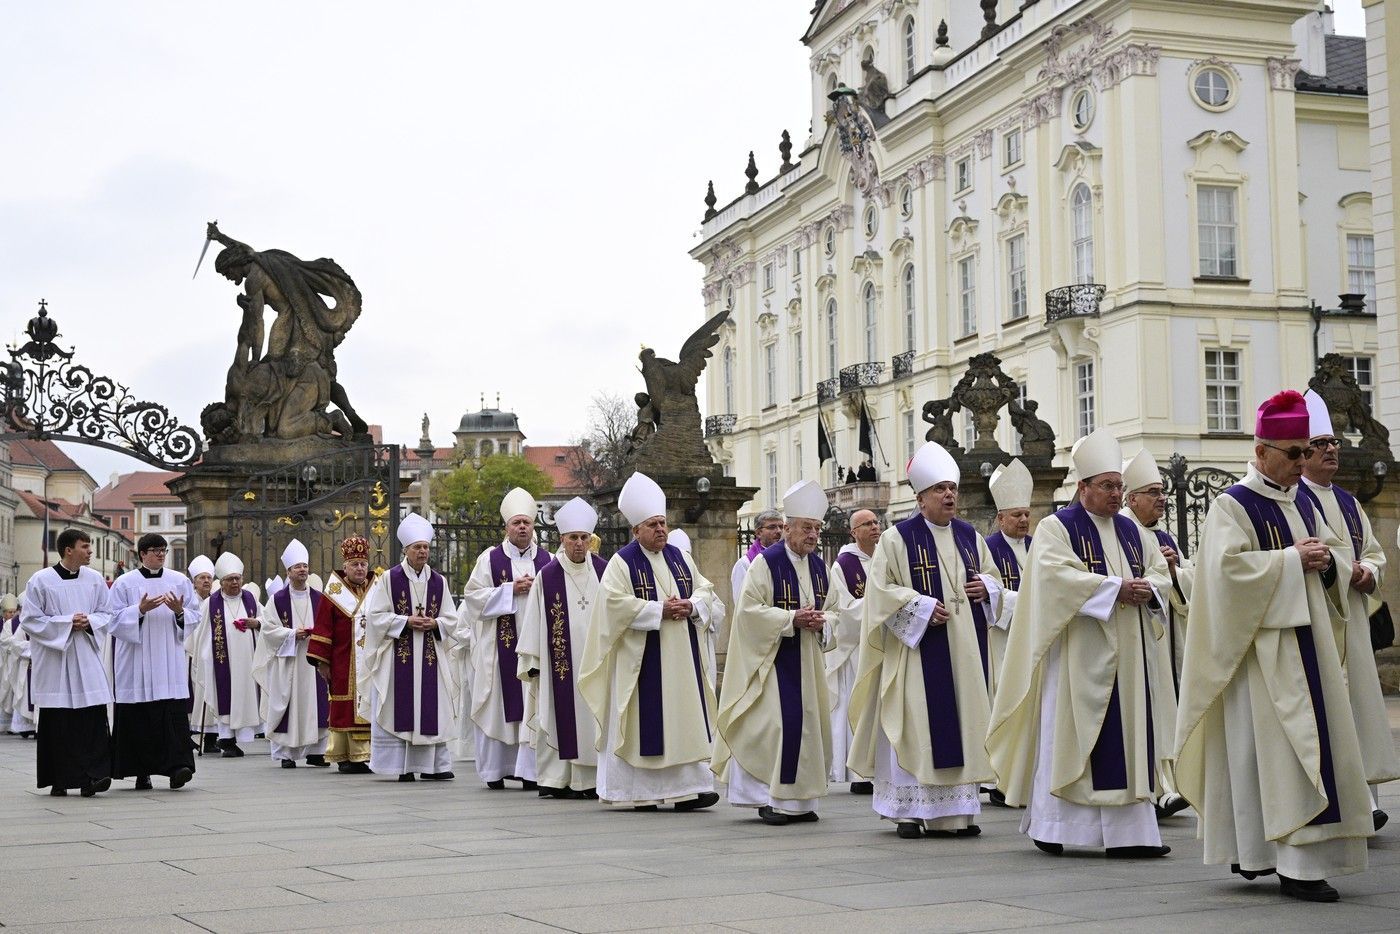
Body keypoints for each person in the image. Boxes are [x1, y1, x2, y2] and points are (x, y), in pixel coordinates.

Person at [1175, 390, 1375, 901]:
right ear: (1261, 450)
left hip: (1310, 646)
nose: (1302, 462)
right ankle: (1284, 861)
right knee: (1275, 755)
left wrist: (1326, 562)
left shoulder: (1304, 501)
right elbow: (1221, 577)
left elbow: (1332, 551)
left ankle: (1302, 858)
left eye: (1306, 452)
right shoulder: (1231, 505)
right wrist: (1289, 562)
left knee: (1311, 750)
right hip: (1263, 657)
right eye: (1294, 453)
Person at [988, 427, 1173, 859]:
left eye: (1119, 486)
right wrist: (1114, 589)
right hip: (1077, 657)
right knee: (1069, 736)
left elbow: (1159, 570)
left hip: (1130, 657)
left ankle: (1132, 834)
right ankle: (1055, 825)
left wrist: (1150, 588)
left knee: (1129, 737)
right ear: (1083, 487)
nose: (1115, 494)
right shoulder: (1057, 527)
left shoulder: (1132, 531)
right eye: (1107, 486)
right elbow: (1053, 578)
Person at [848, 442, 1003, 839]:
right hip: (916, 654)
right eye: (939, 489)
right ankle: (909, 811)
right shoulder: (897, 539)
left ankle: (959, 812)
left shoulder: (970, 536)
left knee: (963, 720)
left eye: (951, 488)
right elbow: (879, 593)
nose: (949, 495)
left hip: (965, 652)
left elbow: (992, 578)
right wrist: (918, 607)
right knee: (916, 721)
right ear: (920, 498)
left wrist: (987, 588)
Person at [578, 472, 720, 811]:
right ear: (636, 530)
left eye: (663, 523)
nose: (660, 530)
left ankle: (689, 789)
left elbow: (705, 589)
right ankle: (637, 792)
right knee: (646, 723)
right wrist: (658, 611)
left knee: (683, 716)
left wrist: (693, 604)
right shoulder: (622, 562)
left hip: (682, 658)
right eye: (653, 524)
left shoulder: (680, 557)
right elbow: (611, 604)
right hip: (641, 661)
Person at [1298, 391, 1397, 832]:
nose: (1332, 450)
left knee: (1357, 707)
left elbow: (1375, 552)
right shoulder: (1293, 500)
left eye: (1334, 443)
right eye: (1321, 444)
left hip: (1353, 623)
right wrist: (1347, 569)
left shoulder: (1349, 501)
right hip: (1317, 621)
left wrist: (1369, 573)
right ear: (1301, 454)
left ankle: (1367, 802)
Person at [715, 480, 836, 825]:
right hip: (772, 663)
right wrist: (790, 619)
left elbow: (841, 612)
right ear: (788, 528)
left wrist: (824, 622)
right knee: (776, 727)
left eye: (817, 528)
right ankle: (770, 799)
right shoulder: (766, 564)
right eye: (807, 528)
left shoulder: (820, 568)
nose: (813, 535)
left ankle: (800, 801)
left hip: (809, 663)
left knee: (810, 727)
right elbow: (748, 612)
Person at [517, 497, 608, 799]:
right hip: (560, 665)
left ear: (590, 540)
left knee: (593, 718)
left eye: (584, 538)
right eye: (573, 538)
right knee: (556, 714)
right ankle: (556, 780)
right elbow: (533, 620)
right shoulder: (548, 575)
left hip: (597, 664)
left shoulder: (606, 572)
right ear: (562, 539)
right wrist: (533, 660)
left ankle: (591, 782)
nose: (579, 544)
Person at [363, 513, 463, 781]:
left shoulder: (439, 582)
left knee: (433, 705)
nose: (422, 551)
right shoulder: (389, 580)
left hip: (430, 653)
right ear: (406, 550)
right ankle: (400, 767)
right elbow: (375, 618)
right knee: (399, 706)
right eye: (417, 547)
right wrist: (405, 621)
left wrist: (436, 623)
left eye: (426, 547)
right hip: (399, 657)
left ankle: (434, 766)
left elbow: (453, 619)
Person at [461, 487, 549, 789]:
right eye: (516, 523)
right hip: (499, 652)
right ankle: (495, 771)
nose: (522, 527)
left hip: (535, 651)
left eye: (526, 522)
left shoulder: (548, 561)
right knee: (498, 706)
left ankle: (530, 772)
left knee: (532, 705)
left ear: (533, 526)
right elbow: (471, 599)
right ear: (506, 527)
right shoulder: (489, 559)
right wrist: (510, 589)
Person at [1121, 448, 1192, 820]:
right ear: (1131, 498)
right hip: (1136, 637)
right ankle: (1154, 787)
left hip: (1165, 636)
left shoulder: (1165, 536)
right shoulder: (1121, 529)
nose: (1162, 499)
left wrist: (1175, 569)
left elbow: (1189, 580)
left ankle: (1169, 786)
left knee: (1166, 709)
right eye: (1153, 493)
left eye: (1163, 492)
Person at [20, 529, 113, 797]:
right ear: (68, 550)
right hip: (55, 661)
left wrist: (90, 622)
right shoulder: (40, 580)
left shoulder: (95, 580)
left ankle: (93, 776)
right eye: (85, 546)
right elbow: (30, 620)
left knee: (91, 719)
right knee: (59, 723)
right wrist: (65, 623)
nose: (90, 551)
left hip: (86, 657)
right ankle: (59, 778)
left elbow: (107, 614)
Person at [107, 534, 197, 790]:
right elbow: (111, 620)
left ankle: (178, 768)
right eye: (155, 550)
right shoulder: (125, 583)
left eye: (163, 550)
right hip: (137, 660)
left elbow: (195, 615)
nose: (160, 554)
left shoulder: (179, 581)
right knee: (139, 719)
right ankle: (140, 772)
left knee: (171, 717)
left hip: (169, 659)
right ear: (142, 554)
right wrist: (139, 611)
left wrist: (180, 612)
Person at [254, 539, 330, 769]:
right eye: (297, 567)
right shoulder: (277, 600)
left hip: (315, 660)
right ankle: (286, 753)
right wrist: (291, 634)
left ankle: (317, 752)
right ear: (288, 572)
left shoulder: (320, 598)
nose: (302, 570)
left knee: (318, 704)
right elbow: (268, 629)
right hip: (289, 660)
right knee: (288, 704)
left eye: (305, 566)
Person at [307, 535, 376, 773]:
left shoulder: (377, 587)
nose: (359, 568)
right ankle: (344, 757)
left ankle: (366, 754)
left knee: (371, 703)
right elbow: (323, 627)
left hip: (372, 661)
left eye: (363, 564)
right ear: (345, 566)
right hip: (342, 661)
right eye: (354, 564)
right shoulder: (333, 593)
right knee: (343, 706)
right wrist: (322, 662)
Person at [186, 552, 262, 757]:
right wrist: (204, 658)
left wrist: (257, 624)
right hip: (221, 662)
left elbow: (267, 623)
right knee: (224, 696)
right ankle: (226, 740)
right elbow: (201, 635)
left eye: (238, 578)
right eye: (230, 579)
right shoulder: (211, 603)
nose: (235, 582)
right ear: (222, 582)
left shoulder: (251, 599)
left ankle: (241, 737)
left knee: (244, 697)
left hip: (248, 660)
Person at [826, 508, 880, 795]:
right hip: (857, 647)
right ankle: (858, 771)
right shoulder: (843, 565)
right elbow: (843, 609)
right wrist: (878, 605)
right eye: (867, 524)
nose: (874, 527)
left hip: (885, 643)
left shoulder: (886, 555)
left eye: (876, 522)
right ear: (853, 532)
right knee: (858, 703)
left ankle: (881, 767)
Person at [984, 459, 1034, 704]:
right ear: (1001, 519)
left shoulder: (1039, 546)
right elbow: (989, 593)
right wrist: (1027, 602)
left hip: (1036, 631)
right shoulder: (986, 548)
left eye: (1026, 514)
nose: (1024, 519)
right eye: (1017, 515)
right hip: (1004, 636)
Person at [668, 527, 725, 687]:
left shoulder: (699, 580)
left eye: (686, 554)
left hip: (698, 650)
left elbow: (718, 610)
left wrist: (695, 608)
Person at [184, 555, 218, 752]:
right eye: (201, 578)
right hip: (188, 655)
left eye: (209, 578)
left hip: (212, 656)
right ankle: (187, 737)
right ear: (194, 582)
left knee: (210, 694)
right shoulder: (189, 602)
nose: (206, 581)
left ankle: (211, 739)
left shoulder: (216, 602)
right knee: (190, 698)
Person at [731, 510, 784, 610]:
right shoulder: (745, 564)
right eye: (772, 527)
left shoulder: (789, 558)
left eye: (781, 527)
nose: (779, 531)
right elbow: (741, 604)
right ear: (759, 533)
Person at [0, 593, 19, 733]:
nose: (11, 614)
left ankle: (13, 725)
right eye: (9, 612)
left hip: (15, 662)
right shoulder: (5, 624)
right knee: (5, 690)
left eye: (13, 612)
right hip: (5, 660)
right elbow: (4, 641)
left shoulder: (17, 623)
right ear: (4, 612)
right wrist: (15, 641)